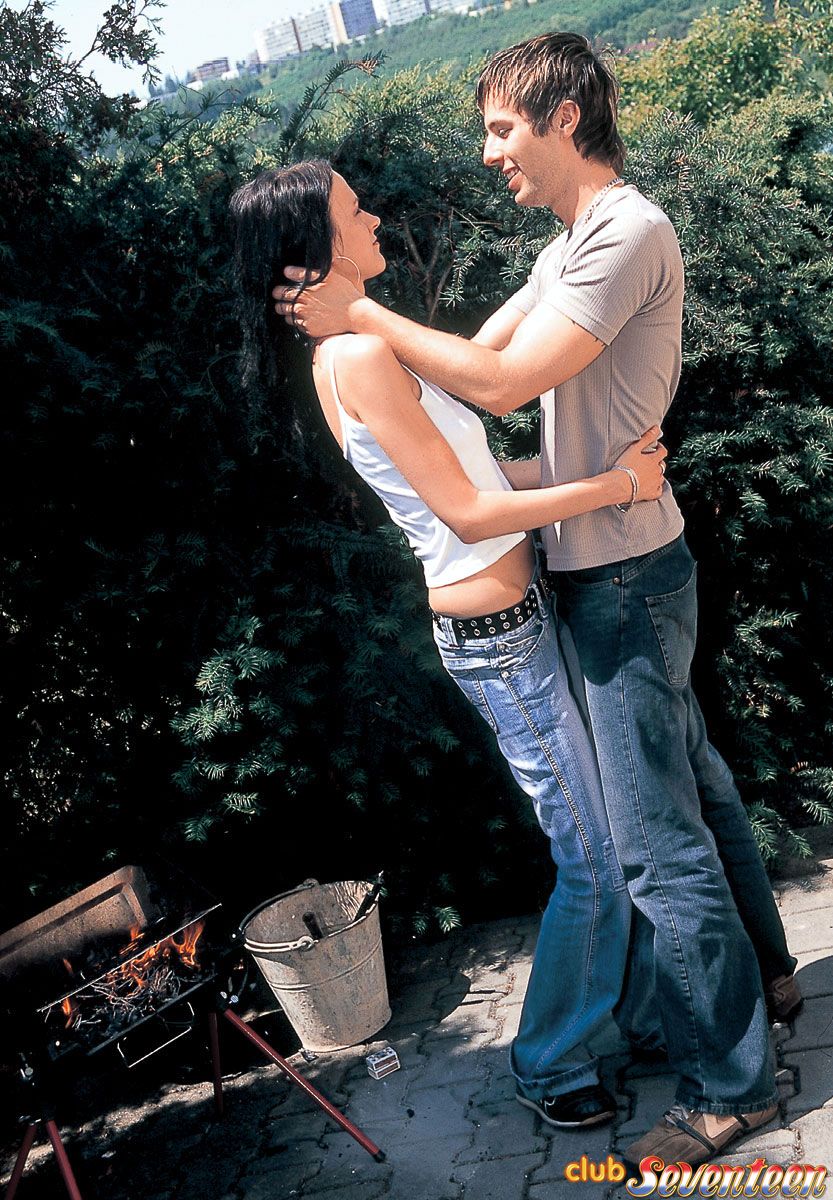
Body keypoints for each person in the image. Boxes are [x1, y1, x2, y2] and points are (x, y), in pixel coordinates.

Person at [271, 33, 799, 1167]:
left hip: (619, 572)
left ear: (564, 117)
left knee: (653, 849)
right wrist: (358, 328)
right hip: (596, 565)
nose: (487, 151)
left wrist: (358, 312)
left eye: (501, 127)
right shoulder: (567, 248)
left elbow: (501, 385)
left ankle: (729, 1083)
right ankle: (764, 987)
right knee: (692, 797)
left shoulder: (623, 233)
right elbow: (471, 376)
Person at [229, 160, 669, 1129]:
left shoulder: (365, 346)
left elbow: (487, 468)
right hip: (496, 643)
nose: (375, 217)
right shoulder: (355, 359)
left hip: (521, 622)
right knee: (593, 857)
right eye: (355, 211)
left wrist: (605, 465)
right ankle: (547, 1062)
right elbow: (469, 514)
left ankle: (640, 1022)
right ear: (316, 247)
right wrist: (616, 488)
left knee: (609, 841)